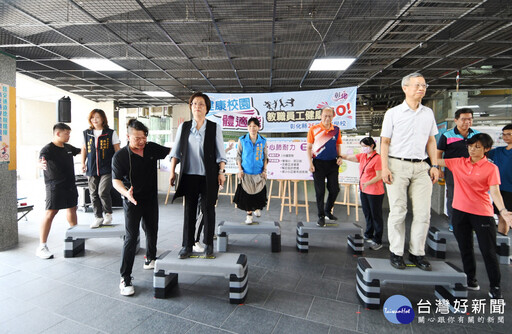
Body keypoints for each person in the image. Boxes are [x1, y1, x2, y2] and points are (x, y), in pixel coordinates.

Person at [438, 133, 512, 299]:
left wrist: (503, 211)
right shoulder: (458, 162)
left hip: (482, 214)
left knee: (488, 251)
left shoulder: (491, 168)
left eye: (477, 147)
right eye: (470, 146)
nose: (472, 149)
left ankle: (495, 287)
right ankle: (471, 280)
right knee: (465, 248)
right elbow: (437, 160)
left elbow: (495, 192)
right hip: (459, 212)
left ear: (486, 149)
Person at [380, 72, 440, 271]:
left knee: (423, 213)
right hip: (397, 165)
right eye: (417, 85)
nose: (421, 88)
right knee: (398, 210)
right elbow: (385, 142)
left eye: (424, 85)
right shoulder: (393, 113)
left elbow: (432, 140)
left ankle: (417, 253)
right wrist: (384, 167)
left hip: (422, 166)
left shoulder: (428, 113)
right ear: (405, 88)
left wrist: (435, 165)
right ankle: (396, 252)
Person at [112, 119, 170, 296]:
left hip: (151, 199)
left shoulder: (151, 148)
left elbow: (173, 152)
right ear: (128, 136)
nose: (141, 141)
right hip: (132, 200)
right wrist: (126, 193)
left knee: (152, 230)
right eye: (137, 138)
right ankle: (125, 277)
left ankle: (150, 258)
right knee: (131, 237)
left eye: (144, 137)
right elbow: (116, 181)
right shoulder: (120, 156)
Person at [170, 92, 227, 259]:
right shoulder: (184, 127)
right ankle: (187, 245)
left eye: (201, 104)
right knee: (189, 210)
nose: (197, 107)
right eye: (194, 103)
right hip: (189, 175)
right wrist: (173, 171)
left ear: (206, 108)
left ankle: (208, 244)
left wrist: (221, 172)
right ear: (191, 107)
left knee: (208, 209)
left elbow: (220, 152)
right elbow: (176, 151)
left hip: (208, 176)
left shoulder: (214, 127)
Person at [36, 123, 81, 259]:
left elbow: (81, 150)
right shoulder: (47, 149)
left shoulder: (68, 148)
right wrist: (39, 164)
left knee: (72, 208)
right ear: (58, 133)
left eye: (69, 134)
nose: (68, 136)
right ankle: (42, 246)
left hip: (70, 185)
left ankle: (76, 235)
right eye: (66, 133)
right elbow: (40, 161)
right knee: (50, 213)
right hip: (54, 186)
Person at [437, 108, 479, 232]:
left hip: (473, 171)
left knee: (472, 196)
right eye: (464, 119)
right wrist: (439, 169)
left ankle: (470, 223)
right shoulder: (447, 135)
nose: (467, 122)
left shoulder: (477, 135)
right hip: (452, 171)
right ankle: (453, 223)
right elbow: (439, 153)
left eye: (470, 119)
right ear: (456, 120)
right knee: (453, 196)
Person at [340, 137, 384, 250]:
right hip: (364, 190)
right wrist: (340, 155)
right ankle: (368, 234)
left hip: (375, 191)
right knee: (367, 213)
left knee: (376, 215)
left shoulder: (378, 158)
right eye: (362, 146)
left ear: (372, 146)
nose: (363, 148)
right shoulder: (363, 156)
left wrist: (367, 183)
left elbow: (379, 176)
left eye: (365, 146)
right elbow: (350, 157)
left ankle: (377, 240)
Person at [81, 109, 121, 228]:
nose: (95, 120)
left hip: (107, 168)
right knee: (93, 193)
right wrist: (83, 163)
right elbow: (84, 149)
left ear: (103, 119)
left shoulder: (110, 133)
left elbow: (117, 150)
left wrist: (118, 166)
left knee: (102, 191)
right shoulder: (86, 133)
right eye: (92, 117)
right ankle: (98, 217)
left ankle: (108, 213)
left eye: (97, 117)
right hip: (92, 168)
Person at [306, 107, 343, 227]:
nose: (327, 118)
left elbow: (338, 145)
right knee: (320, 191)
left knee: (334, 189)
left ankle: (328, 210)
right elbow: (309, 148)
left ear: (333, 117)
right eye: (325, 116)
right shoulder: (314, 129)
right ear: (321, 116)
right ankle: (321, 216)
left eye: (330, 116)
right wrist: (310, 163)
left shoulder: (336, 130)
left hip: (333, 163)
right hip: (318, 164)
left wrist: (339, 157)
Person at [234, 117, 268, 224]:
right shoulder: (242, 140)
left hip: (258, 173)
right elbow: (238, 156)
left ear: (258, 127)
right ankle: (249, 216)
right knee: (247, 196)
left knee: (258, 193)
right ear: (247, 127)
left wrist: (265, 171)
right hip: (246, 172)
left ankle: (257, 208)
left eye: (254, 126)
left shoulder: (263, 141)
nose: (252, 128)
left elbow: (265, 157)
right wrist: (240, 170)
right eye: (250, 126)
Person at [488, 124, 512, 236]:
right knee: (502, 216)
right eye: (504, 134)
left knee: (507, 217)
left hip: (510, 190)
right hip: (499, 189)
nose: (506, 137)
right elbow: (482, 153)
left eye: (509, 134)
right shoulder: (498, 151)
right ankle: (502, 243)